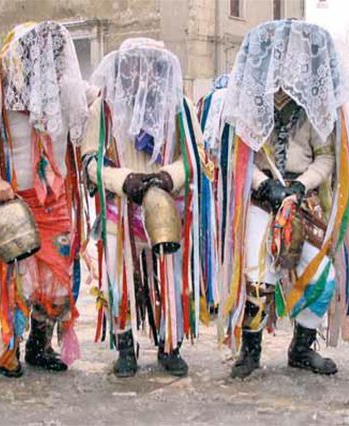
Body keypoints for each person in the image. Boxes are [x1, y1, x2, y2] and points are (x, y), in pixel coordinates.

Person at [218, 20, 349, 379]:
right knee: (257, 280)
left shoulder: (317, 105)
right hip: (261, 198)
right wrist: (264, 186)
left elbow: (328, 156)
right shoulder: (248, 101)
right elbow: (237, 157)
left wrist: (301, 185)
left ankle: (301, 348)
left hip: (304, 200)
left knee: (323, 278)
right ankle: (250, 351)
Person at [0, 21, 88, 377]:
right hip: (13, 204)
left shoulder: (67, 92)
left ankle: (40, 344)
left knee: (57, 281)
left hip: (56, 203)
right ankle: (10, 345)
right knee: (17, 281)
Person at [82, 38, 213, 378]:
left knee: (172, 278)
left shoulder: (179, 107)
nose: (142, 72)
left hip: (167, 207)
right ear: (122, 68)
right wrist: (124, 180)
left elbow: (195, 157)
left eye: (151, 65)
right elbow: (89, 160)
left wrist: (168, 178)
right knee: (117, 278)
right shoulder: (104, 108)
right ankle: (125, 345)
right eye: (134, 65)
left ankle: (170, 345)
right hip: (121, 208)